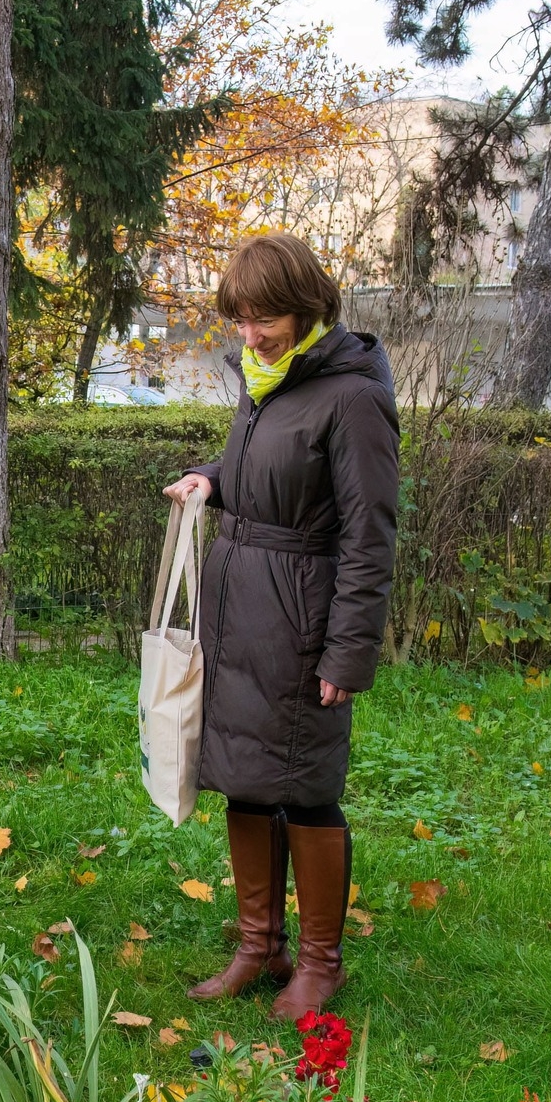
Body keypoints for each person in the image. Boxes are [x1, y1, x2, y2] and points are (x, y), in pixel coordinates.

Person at [163, 232, 399, 1022]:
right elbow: (265, 472)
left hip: (302, 616)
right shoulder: (266, 383)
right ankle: (258, 945)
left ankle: (321, 964)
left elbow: (370, 532)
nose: (251, 335)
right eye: (241, 319)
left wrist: (347, 650)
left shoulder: (352, 395)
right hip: (240, 613)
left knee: (305, 787)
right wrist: (212, 476)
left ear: (308, 306)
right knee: (246, 776)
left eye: (266, 318)